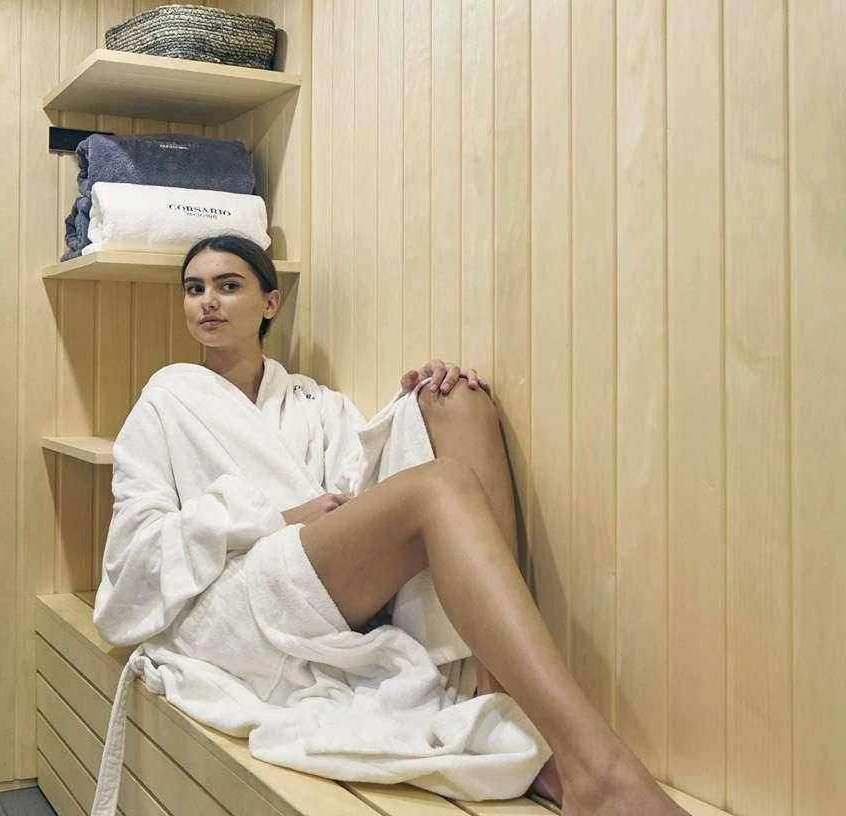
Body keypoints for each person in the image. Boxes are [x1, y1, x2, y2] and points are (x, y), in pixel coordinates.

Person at [91, 234, 689, 815]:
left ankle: (494, 696)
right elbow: (135, 554)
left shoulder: (310, 402)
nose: (208, 301)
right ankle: (598, 771)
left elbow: (356, 486)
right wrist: (273, 518)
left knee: (456, 402)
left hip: (315, 584)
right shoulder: (165, 399)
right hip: (232, 604)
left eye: (228, 285)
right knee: (442, 486)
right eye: (194, 289)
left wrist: (416, 401)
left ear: (270, 303)